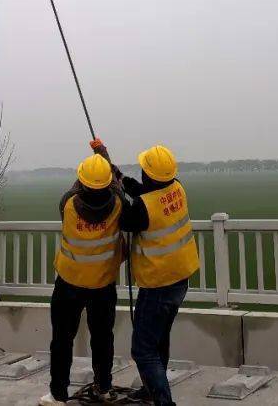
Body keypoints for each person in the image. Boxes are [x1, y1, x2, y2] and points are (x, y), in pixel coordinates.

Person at [41, 143, 125, 405]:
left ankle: (58, 394)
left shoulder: (67, 204)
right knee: (102, 338)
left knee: (62, 340)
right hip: (102, 284)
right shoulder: (118, 205)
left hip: (69, 283)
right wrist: (104, 157)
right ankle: (103, 387)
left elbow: (81, 185)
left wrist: (95, 162)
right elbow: (117, 182)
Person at [120, 145, 200, 406]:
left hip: (158, 284)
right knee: (159, 339)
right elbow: (146, 195)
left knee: (142, 349)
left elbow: (126, 218)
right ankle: (150, 389)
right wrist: (119, 177)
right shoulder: (177, 187)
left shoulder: (142, 208)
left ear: (149, 174)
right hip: (180, 278)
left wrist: (115, 190)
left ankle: (164, 401)